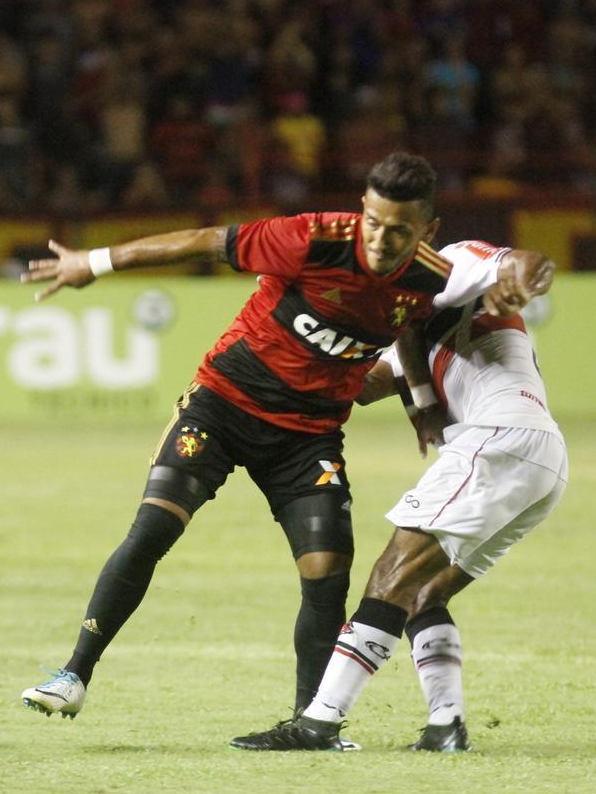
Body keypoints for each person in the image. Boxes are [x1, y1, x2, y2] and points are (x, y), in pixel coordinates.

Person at [18, 152, 553, 726]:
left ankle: (310, 719)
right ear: (361, 211)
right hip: (224, 405)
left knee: (328, 569)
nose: (379, 240)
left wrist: (423, 401)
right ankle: (74, 673)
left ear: (428, 232)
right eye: (373, 222)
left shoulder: (428, 277)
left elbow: (417, 325)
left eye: (398, 231)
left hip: (308, 436)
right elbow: (203, 242)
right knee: (154, 527)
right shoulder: (312, 238)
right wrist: (92, 263)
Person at [230, 255, 567, 752]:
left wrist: (519, 281)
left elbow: (523, 263)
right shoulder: (402, 318)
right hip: (543, 459)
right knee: (424, 592)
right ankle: (445, 726)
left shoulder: (452, 264)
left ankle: (318, 722)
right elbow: (366, 385)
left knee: (392, 573)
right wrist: (301, 325)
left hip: (499, 439)